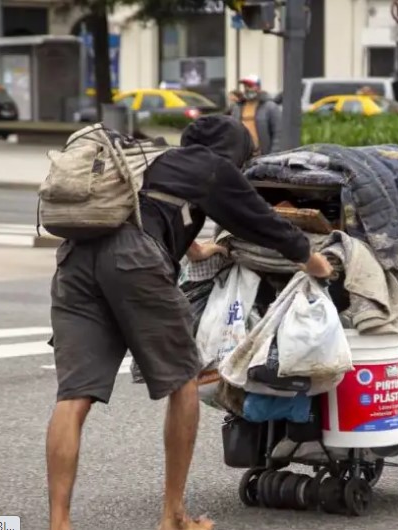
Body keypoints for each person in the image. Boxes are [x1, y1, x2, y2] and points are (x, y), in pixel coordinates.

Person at [44, 115, 333, 530]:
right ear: (234, 152)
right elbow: (265, 224)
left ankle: (59, 523)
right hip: (134, 262)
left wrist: (198, 249)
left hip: (76, 260)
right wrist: (314, 261)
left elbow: (148, 213)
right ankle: (174, 515)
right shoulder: (214, 167)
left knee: (73, 397)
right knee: (183, 383)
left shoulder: (156, 160)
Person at [229, 74, 282, 157]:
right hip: (243, 155)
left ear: (258, 88)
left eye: (250, 86)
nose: (247, 89)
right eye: (245, 86)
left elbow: (278, 134)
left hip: (262, 155)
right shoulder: (238, 107)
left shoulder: (270, 107)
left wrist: (273, 155)